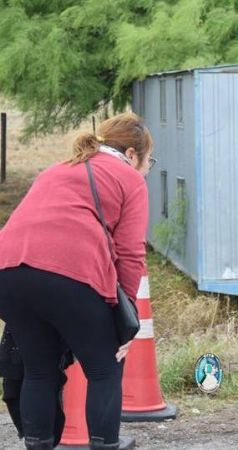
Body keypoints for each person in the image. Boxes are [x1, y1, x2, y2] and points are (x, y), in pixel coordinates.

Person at [0, 113, 154, 450]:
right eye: (148, 162)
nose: (146, 169)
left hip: (9, 271)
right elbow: (130, 253)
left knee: (38, 370)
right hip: (68, 271)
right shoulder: (129, 179)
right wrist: (124, 320)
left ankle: (38, 445)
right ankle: (103, 444)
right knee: (105, 367)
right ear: (132, 154)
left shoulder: (57, 169)